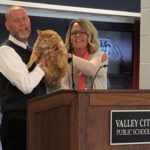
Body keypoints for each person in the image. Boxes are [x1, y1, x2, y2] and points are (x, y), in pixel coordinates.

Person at [0, 6, 47, 150]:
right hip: (17, 124)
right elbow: (26, 86)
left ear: (30, 22)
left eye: (24, 19)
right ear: (7, 26)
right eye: (16, 20)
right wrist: (42, 66)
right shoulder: (5, 51)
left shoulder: (34, 52)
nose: (22, 23)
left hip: (38, 119)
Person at [61, 18, 108, 90]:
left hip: (95, 100)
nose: (77, 35)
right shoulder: (64, 59)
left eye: (82, 32)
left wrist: (68, 57)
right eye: (74, 33)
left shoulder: (101, 56)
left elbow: (91, 69)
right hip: (72, 100)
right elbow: (61, 86)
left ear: (90, 35)